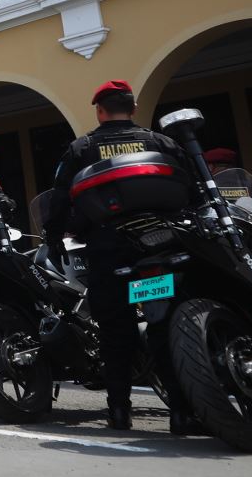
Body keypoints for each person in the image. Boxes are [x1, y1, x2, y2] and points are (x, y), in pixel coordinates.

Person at [42, 80, 197, 433]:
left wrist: (54, 237)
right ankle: (182, 411)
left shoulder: (82, 148)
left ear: (99, 111)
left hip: (109, 251)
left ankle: (118, 411)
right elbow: (193, 186)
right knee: (166, 327)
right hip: (161, 247)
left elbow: (60, 199)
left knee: (115, 334)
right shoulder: (160, 142)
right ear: (134, 108)